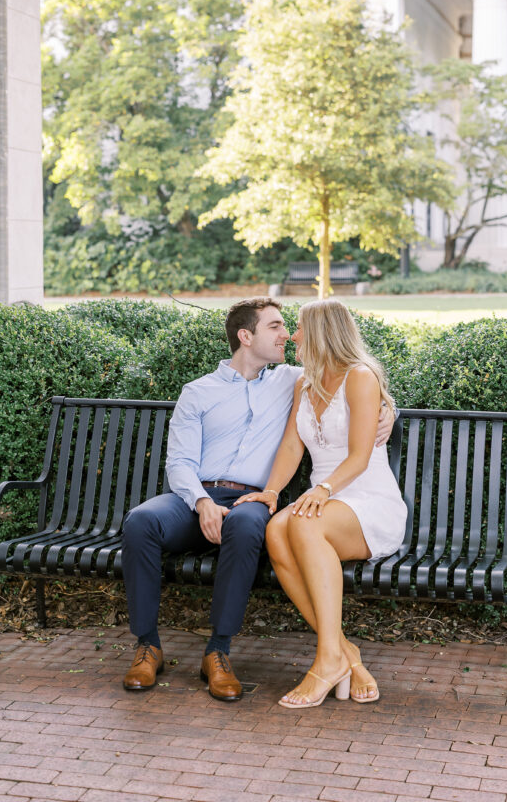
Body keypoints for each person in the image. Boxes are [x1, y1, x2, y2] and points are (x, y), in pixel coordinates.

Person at [120, 296, 394, 700]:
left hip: (252, 502)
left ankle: (218, 652)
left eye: (291, 327)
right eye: (276, 327)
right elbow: (178, 461)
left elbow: (354, 380)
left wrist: (389, 410)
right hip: (195, 495)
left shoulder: (292, 378)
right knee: (140, 521)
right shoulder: (199, 391)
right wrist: (201, 502)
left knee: (249, 527)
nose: (287, 335)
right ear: (245, 336)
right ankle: (147, 646)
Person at [234, 298, 407, 708]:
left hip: (366, 498)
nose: (292, 335)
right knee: (276, 528)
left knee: (304, 524)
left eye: (298, 327)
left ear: (321, 332)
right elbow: (293, 444)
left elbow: (361, 457)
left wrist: (324, 489)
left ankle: (326, 661)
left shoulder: (360, 377)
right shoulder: (305, 382)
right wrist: (273, 492)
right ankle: (344, 655)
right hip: (325, 500)